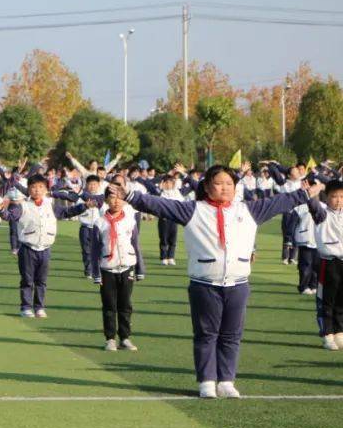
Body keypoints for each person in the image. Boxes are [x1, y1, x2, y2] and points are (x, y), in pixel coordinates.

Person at [113, 166, 323, 397]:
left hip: (238, 283)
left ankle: (226, 380)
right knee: (206, 334)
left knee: (232, 335)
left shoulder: (249, 210)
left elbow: (281, 201)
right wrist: (130, 195)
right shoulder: (194, 210)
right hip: (205, 283)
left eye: (229, 184)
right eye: (218, 183)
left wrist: (305, 193)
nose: (224, 188)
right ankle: (206, 381)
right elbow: (159, 205)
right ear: (206, 186)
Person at [0, 174, 86, 318]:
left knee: (41, 280)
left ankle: (39, 307)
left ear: (46, 189)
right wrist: (1, 210)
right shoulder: (23, 206)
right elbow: (10, 216)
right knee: (27, 280)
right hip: (27, 248)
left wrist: (84, 206)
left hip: (45, 249)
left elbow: (67, 212)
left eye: (40, 187)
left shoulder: (50, 205)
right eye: (33, 187)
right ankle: (26, 307)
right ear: (29, 189)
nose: (37, 190)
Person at [91, 189, 139, 351]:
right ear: (106, 200)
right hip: (107, 268)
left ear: (125, 200)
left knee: (125, 304)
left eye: (120, 198)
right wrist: (95, 273)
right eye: (112, 197)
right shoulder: (100, 222)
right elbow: (94, 250)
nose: (116, 201)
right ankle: (110, 338)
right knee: (109, 304)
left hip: (127, 266)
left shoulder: (130, 221)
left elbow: (135, 244)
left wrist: (140, 268)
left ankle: (125, 337)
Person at [309, 180, 343, 350]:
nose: (338, 200)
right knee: (326, 301)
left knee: (341, 300)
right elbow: (313, 204)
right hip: (328, 262)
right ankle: (327, 334)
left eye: (342, 197)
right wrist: (318, 189)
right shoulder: (322, 214)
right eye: (334, 197)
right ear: (327, 198)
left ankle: (339, 332)